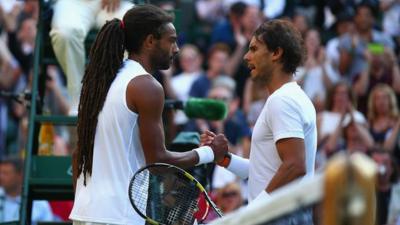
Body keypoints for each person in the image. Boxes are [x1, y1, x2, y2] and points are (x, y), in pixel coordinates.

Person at [69, 4, 228, 225]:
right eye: (171, 40)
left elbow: (78, 154)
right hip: (118, 216)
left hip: (84, 212)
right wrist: (209, 153)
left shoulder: (101, 81)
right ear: (150, 41)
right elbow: (158, 161)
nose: (177, 49)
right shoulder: (146, 87)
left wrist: (85, 202)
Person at [202, 20, 317, 215]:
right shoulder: (288, 97)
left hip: (280, 216)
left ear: (276, 53)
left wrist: (254, 211)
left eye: (254, 49)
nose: (247, 57)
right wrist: (225, 159)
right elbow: (261, 171)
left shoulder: (283, 100)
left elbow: (295, 166)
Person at [50, 0, 134, 114]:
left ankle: (121, 98)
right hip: (73, 3)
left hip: (117, 3)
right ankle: (80, 100)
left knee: (131, 26)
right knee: (65, 34)